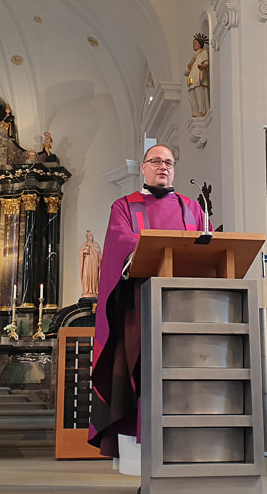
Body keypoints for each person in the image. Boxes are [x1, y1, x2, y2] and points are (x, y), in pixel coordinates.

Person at [88, 144, 204, 474]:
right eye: (156, 161)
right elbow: (121, 242)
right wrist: (156, 247)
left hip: (183, 310)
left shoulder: (191, 208)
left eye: (168, 162)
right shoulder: (125, 206)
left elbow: (200, 247)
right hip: (138, 308)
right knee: (139, 379)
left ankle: (184, 456)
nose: (163, 167)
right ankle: (140, 463)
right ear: (143, 168)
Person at [184, 33, 210, 117]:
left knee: (199, 92)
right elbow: (185, 72)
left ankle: (202, 110)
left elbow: (206, 63)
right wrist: (190, 64)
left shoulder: (203, 52)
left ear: (200, 44)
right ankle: (195, 112)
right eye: (193, 43)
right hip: (192, 77)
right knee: (192, 93)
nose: (194, 44)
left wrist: (203, 66)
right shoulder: (194, 57)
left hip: (199, 76)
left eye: (195, 43)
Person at [79, 230, 102, 298]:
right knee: (86, 275)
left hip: (94, 262)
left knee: (94, 276)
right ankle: (86, 291)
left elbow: (99, 254)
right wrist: (83, 252)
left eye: (90, 236)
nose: (89, 238)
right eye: (87, 236)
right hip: (87, 261)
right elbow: (80, 253)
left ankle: (93, 291)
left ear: (92, 237)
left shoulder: (96, 245)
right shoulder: (84, 245)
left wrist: (100, 258)